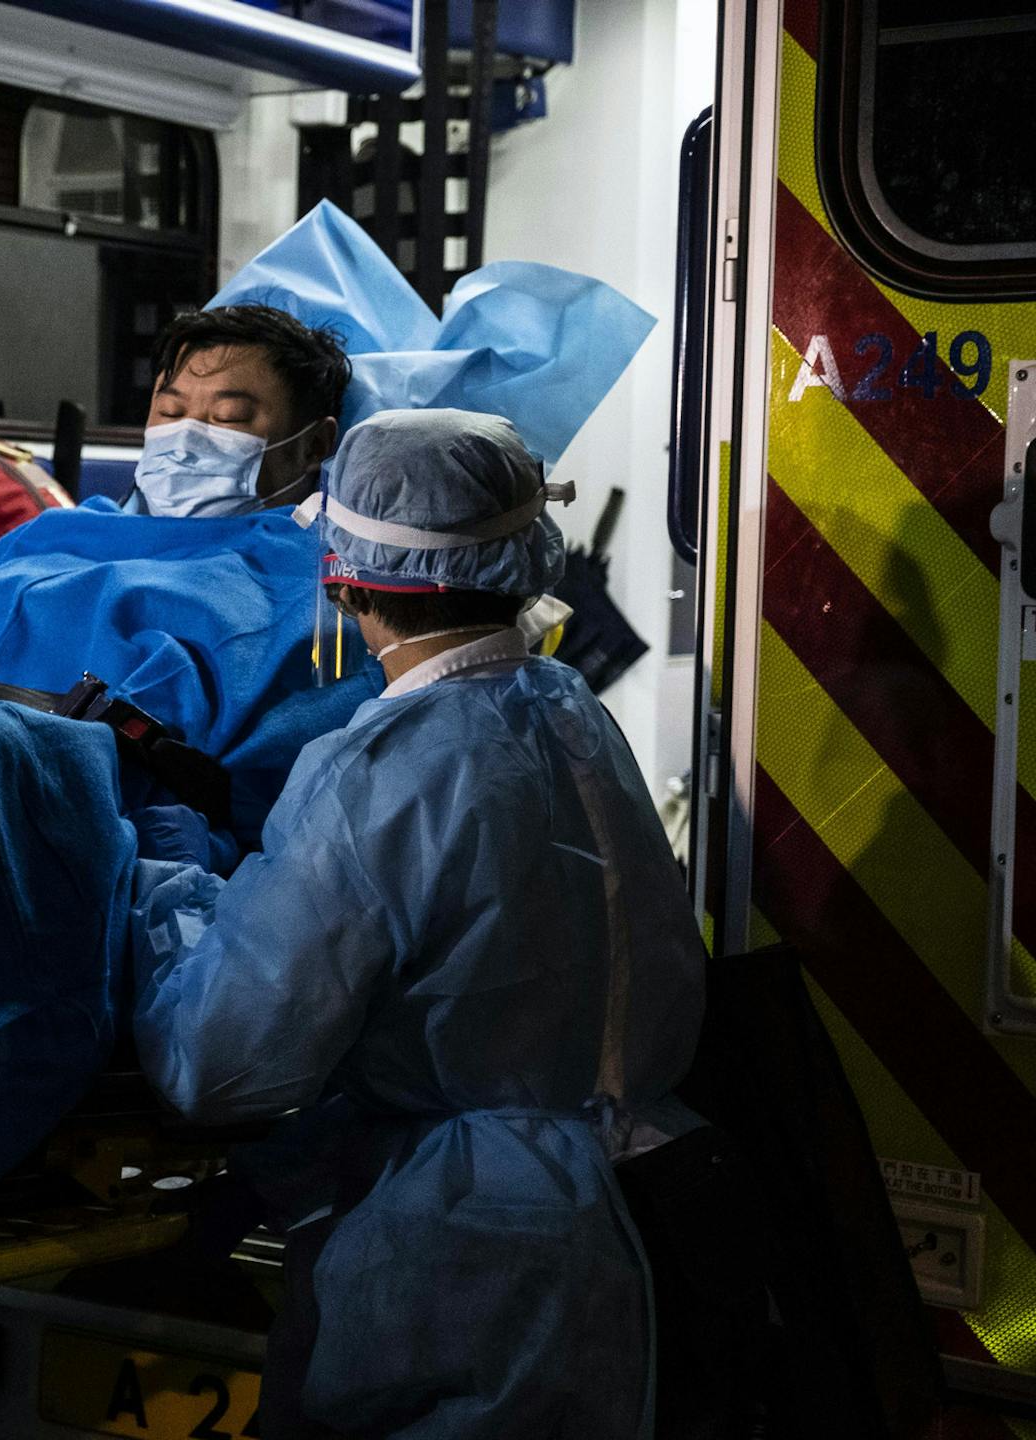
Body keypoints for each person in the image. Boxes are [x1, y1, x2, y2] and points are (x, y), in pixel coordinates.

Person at [131, 408, 705, 1437]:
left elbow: (220, 1065)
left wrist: (168, 883)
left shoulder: (378, 771)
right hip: (636, 1203)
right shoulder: (570, 711)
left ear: (345, 578)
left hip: (465, 1258)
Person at [123, 304, 350, 519]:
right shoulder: (97, 529)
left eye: (229, 416)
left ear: (314, 445)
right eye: (170, 412)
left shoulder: (332, 558)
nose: (184, 442)